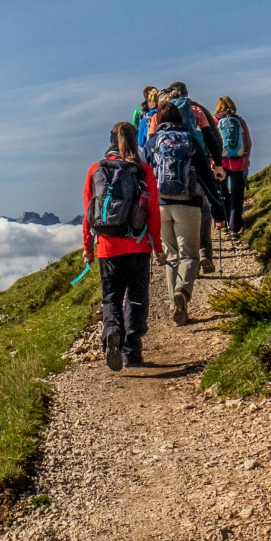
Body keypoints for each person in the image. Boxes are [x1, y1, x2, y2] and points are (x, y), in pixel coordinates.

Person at [82, 121, 163, 371]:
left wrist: (88, 246)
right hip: (137, 246)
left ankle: (112, 331)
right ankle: (131, 353)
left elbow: (88, 212)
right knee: (136, 298)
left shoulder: (95, 169)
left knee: (112, 297)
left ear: (110, 142)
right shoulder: (143, 170)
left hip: (107, 247)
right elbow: (153, 213)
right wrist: (158, 247)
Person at [145, 104, 205, 326]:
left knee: (171, 256)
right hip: (188, 203)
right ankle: (183, 291)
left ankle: (174, 308)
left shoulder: (153, 143)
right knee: (189, 256)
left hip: (161, 205)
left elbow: (146, 173)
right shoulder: (190, 138)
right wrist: (218, 208)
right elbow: (205, 173)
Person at [161, 82, 226, 274]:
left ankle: (186, 260)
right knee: (202, 209)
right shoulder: (197, 110)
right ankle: (204, 252)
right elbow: (212, 136)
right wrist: (218, 163)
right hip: (198, 164)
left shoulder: (162, 112)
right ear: (186, 94)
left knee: (176, 213)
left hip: (169, 173)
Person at [215, 95, 252, 234]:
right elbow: (248, 142)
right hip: (239, 163)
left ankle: (224, 224)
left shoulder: (214, 121)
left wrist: (213, 162)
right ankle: (234, 228)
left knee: (223, 194)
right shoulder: (240, 121)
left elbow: (210, 144)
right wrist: (246, 158)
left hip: (221, 164)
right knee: (237, 196)